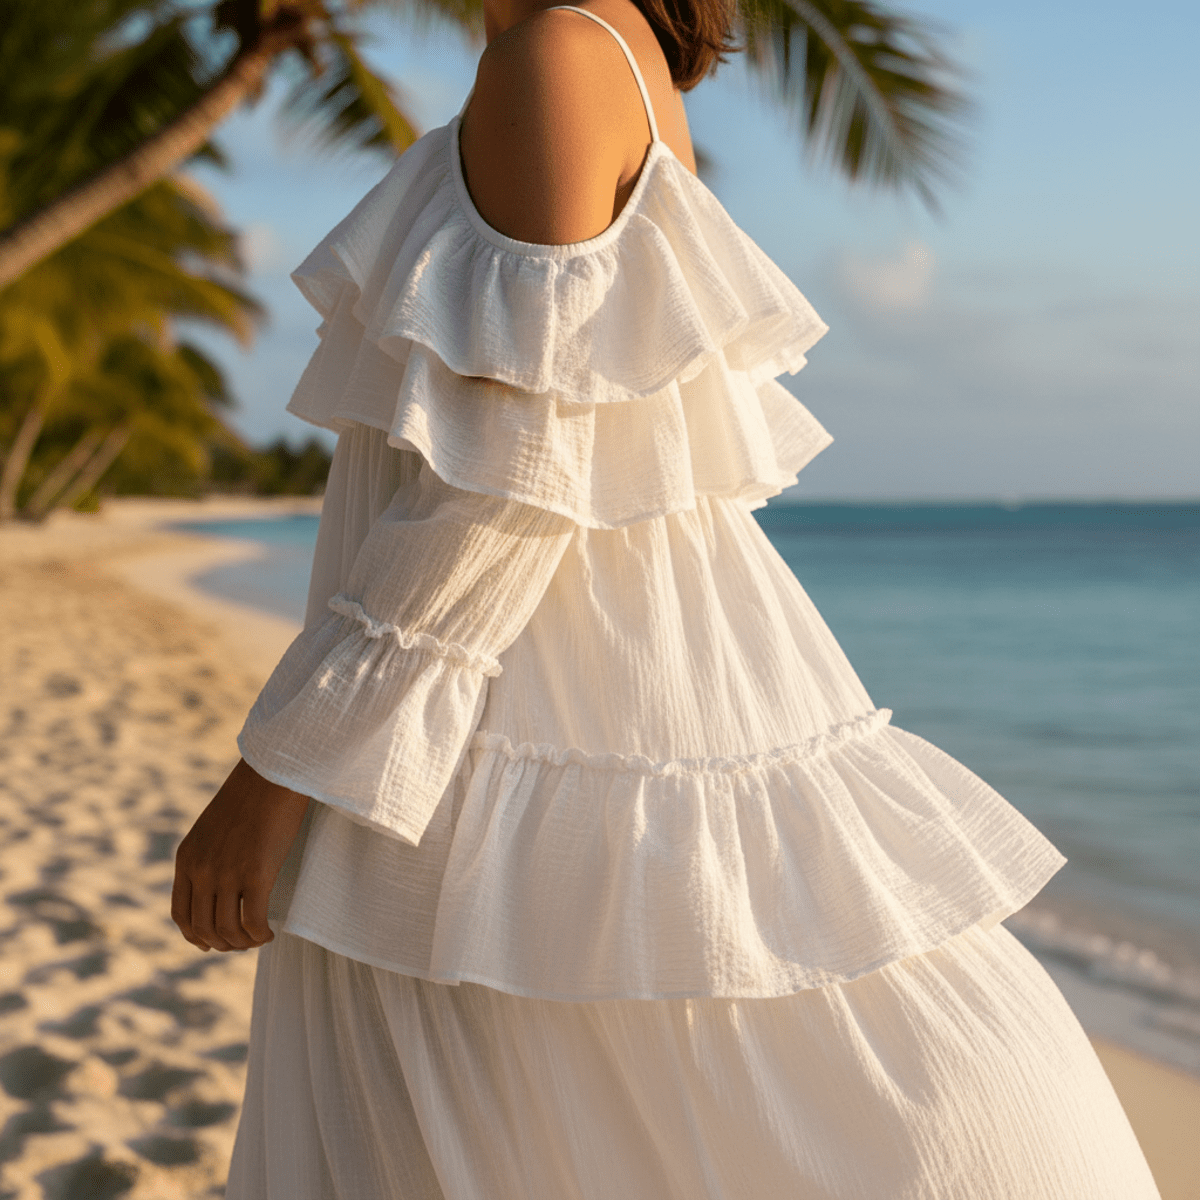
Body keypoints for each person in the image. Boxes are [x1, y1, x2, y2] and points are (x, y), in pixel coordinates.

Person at [172, 1, 1163, 1195]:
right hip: (524, 723)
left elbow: (515, 485)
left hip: (520, 733)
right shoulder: (582, 52)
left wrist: (281, 769)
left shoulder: (563, 54)